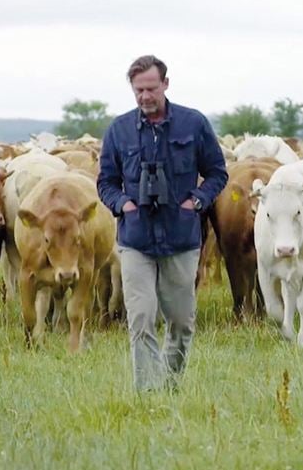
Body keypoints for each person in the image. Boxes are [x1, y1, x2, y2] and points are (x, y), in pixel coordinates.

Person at [97, 55, 227, 392]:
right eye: (138, 90)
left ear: (165, 84)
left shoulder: (193, 123)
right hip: (136, 239)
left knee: (182, 323)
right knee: (140, 320)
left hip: (181, 238)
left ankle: (171, 385)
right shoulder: (119, 129)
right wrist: (121, 203)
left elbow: (217, 173)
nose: (144, 96)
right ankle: (148, 393)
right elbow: (105, 182)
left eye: (151, 88)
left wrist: (196, 201)